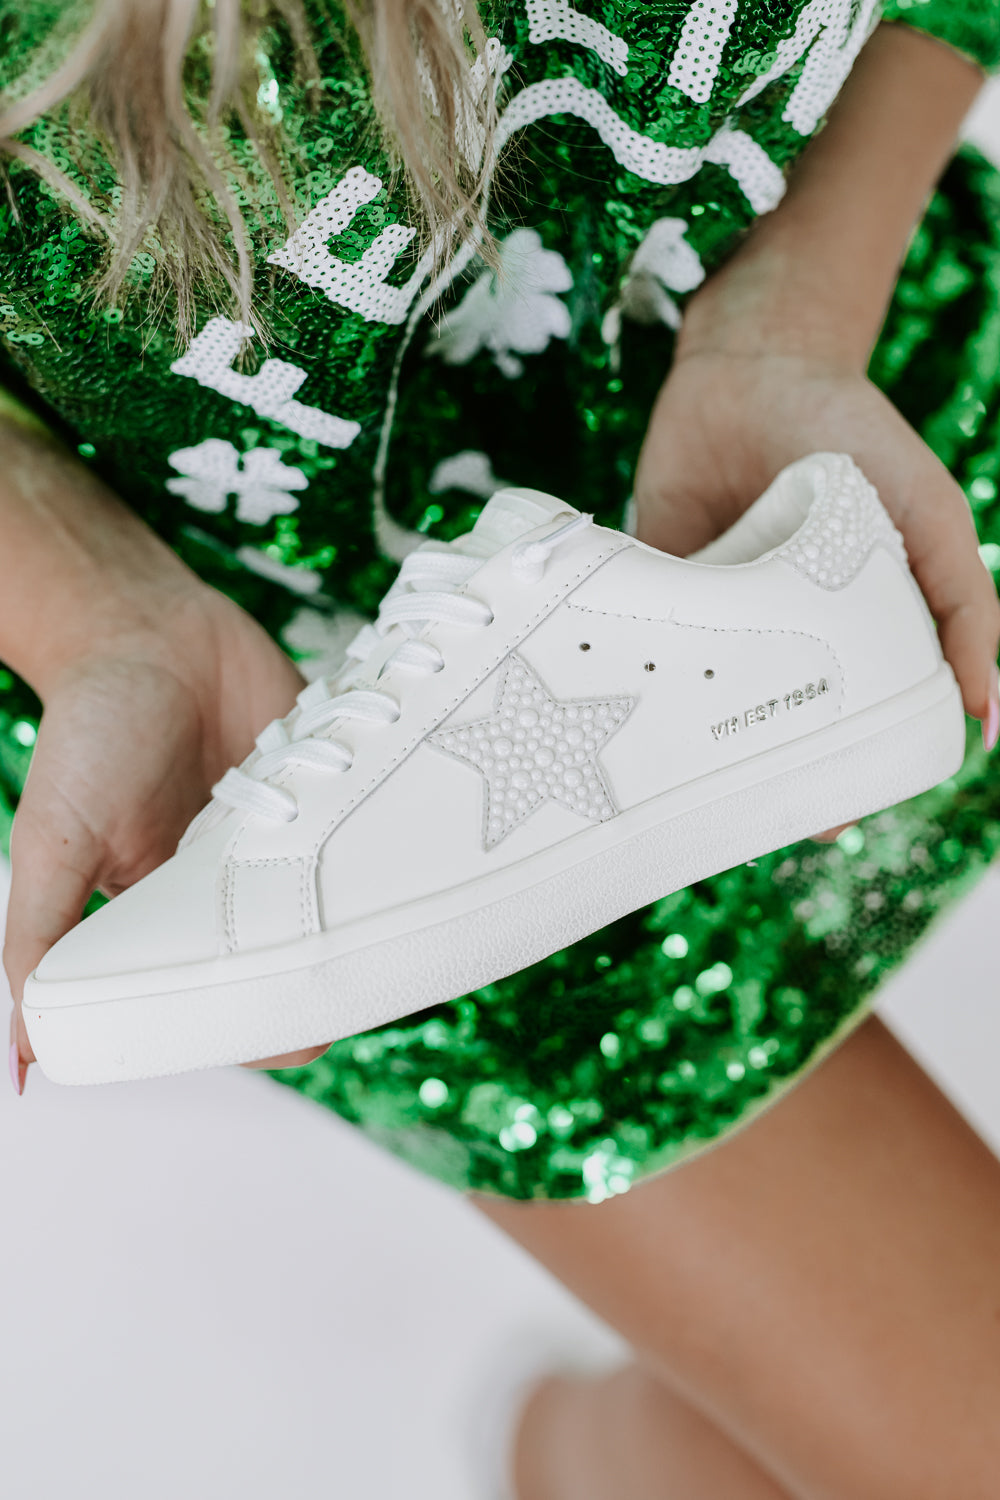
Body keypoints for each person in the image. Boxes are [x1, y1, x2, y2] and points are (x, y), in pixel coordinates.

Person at [2, 1, 1000, 1493]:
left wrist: (798, 311)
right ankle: (576, 1457)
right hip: (341, 735)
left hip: (839, 396)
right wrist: (89, 607)